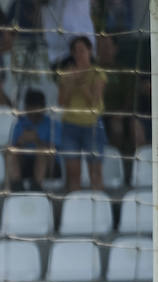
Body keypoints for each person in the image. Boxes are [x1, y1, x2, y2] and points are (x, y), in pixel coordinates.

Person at [57, 35, 107, 193]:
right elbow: (62, 102)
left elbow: (93, 102)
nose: (78, 54)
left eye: (82, 50)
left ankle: (98, 206)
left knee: (95, 173)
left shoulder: (98, 73)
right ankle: (74, 209)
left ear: (90, 51)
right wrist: (71, 82)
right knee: (73, 174)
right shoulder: (66, 73)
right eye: (75, 51)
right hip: (70, 127)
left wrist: (80, 82)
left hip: (92, 126)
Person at [5, 88, 59, 191]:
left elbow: (55, 150)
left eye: (37, 107)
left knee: (42, 150)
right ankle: (17, 186)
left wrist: (36, 140)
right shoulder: (19, 123)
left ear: (43, 107)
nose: (34, 112)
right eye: (31, 107)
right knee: (11, 150)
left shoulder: (52, 124)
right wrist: (21, 141)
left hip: (49, 166)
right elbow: (14, 146)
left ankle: (36, 187)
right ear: (26, 107)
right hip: (25, 163)